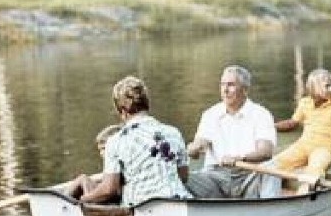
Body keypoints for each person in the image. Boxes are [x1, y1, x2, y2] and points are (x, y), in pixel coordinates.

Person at [82, 76, 190, 207]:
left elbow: (109, 189)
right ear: (147, 104)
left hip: (142, 207)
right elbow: (183, 176)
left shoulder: (116, 141)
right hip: (180, 202)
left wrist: (83, 199)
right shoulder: (174, 132)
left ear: (122, 111)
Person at [185, 65, 280, 199]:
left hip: (249, 175)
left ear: (245, 90)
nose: (225, 90)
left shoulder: (261, 114)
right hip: (215, 177)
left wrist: (240, 158)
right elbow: (200, 142)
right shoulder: (210, 114)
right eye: (223, 85)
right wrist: (194, 148)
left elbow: (266, 152)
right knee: (182, 178)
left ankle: (268, 212)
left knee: (271, 168)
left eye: (231, 85)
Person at [67, 123, 123, 203]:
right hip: (113, 195)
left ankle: (63, 203)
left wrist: (85, 198)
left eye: (103, 149)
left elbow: (111, 189)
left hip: (114, 199)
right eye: (100, 150)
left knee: (83, 179)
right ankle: (64, 201)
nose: (101, 153)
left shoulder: (116, 160)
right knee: (83, 179)